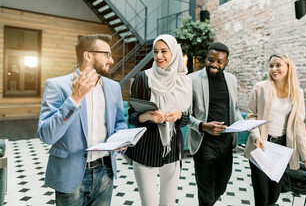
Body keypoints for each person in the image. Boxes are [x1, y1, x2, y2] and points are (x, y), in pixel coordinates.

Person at [38, 34, 128, 206]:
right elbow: (46, 135)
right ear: (88, 56)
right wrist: (74, 100)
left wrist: (120, 138)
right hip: (70, 174)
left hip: (105, 172)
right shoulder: (57, 86)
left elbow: (119, 122)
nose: (112, 60)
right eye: (107, 54)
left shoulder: (113, 87)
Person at [125, 34, 191, 206]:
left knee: (168, 203)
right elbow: (131, 116)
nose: (159, 56)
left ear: (174, 53)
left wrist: (178, 116)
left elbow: (186, 120)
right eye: (155, 52)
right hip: (145, 148)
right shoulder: (143, 77)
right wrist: (146, 116)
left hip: (172, 149)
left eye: (164, 51)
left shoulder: (184, 82)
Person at [243, 54, 306, 206]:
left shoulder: (298, 93)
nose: (274, 69)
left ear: (288, 67)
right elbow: (251, 116)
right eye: (271, 66)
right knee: (262, 197)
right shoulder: (261, 88)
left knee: (273, 196)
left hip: (281, 148)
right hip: (261, 146)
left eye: (278, 65)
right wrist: (256, 137)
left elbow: (299, 126)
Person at [186, 42, 244, 206]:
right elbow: (185, 115)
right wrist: (204, 126)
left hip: (226, 143)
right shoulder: (192, 80)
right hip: (204, 143)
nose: (214, 65)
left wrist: (243, 124)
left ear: (226, 63)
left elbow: (235, 109)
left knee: (221, 184)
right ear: (206, 59)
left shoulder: (232, 80)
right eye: (211, 60)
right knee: (205, 191)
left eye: (219, 62)